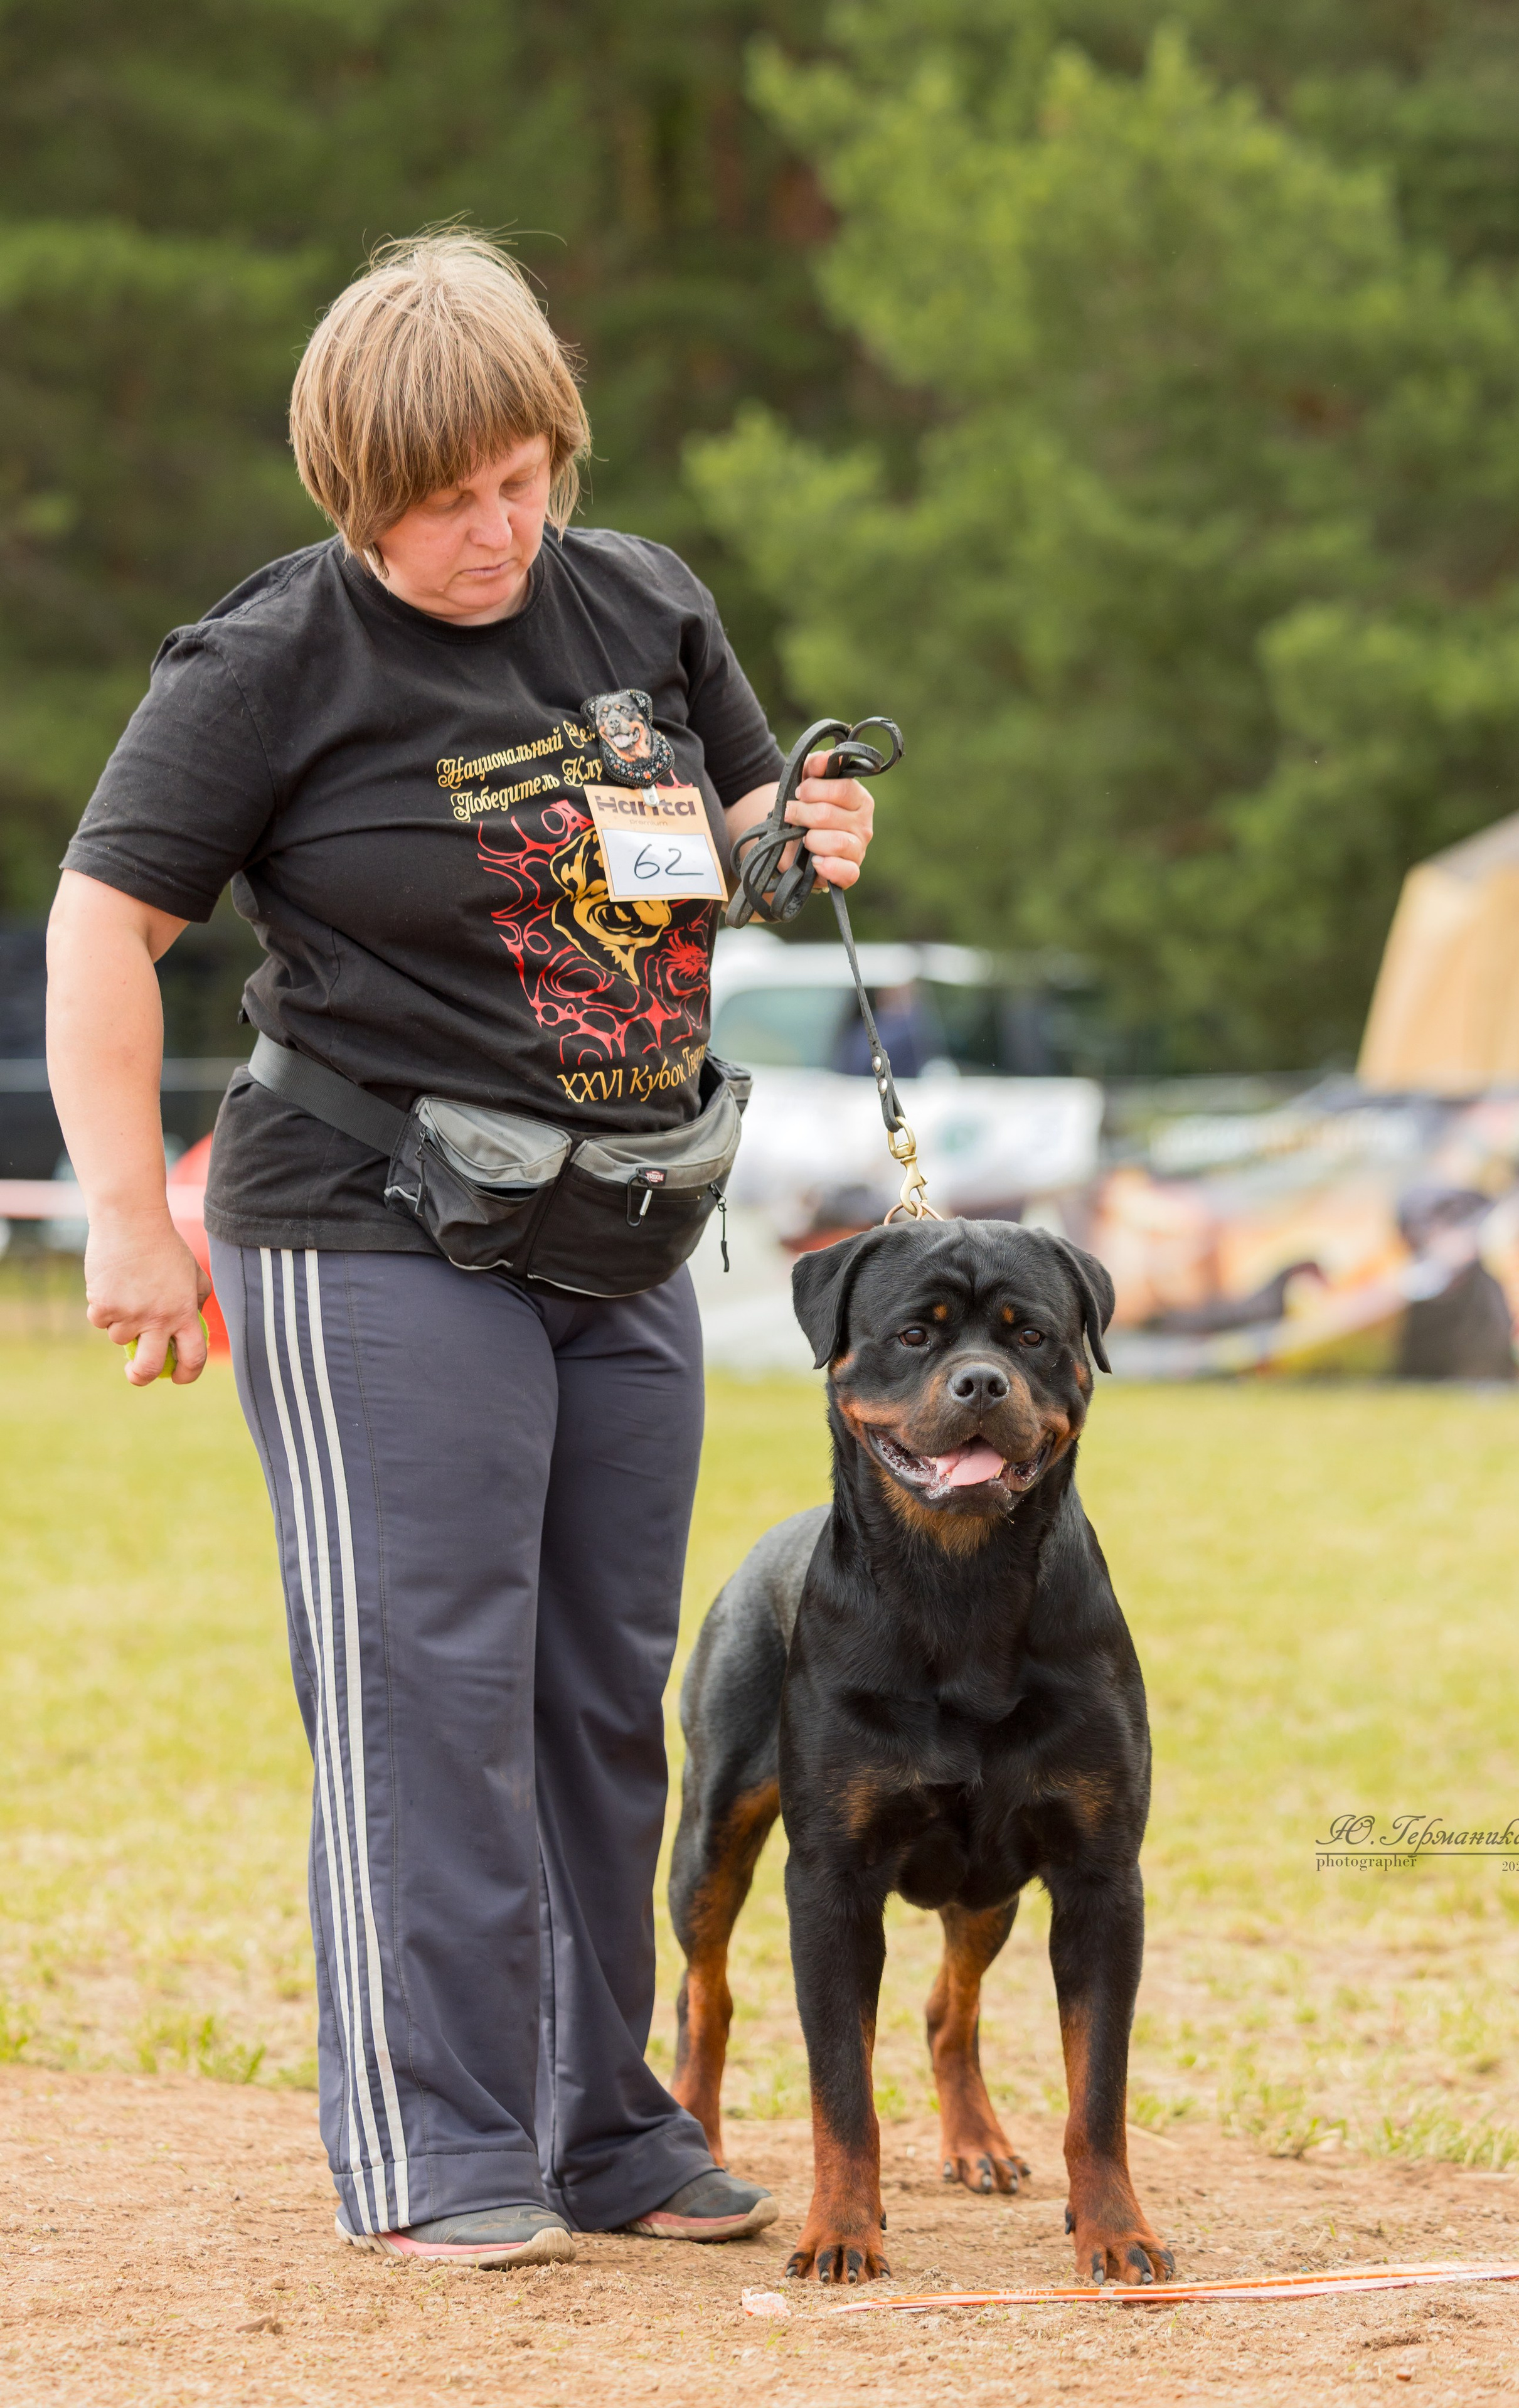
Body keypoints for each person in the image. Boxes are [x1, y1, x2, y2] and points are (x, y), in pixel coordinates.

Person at [45, 232, 876, 2269]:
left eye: (524, 479)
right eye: (447, 501)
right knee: (428, 1684)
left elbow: (744, 835)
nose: (498, 531)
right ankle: (439, 2148)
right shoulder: (267, 664)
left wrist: (802, 845)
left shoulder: (641, 599)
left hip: (623, 1226)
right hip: (371, 1225)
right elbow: (100, 928)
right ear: (353, 488)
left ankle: (609, 2127)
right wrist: (128, 1218)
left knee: (608, 1689)